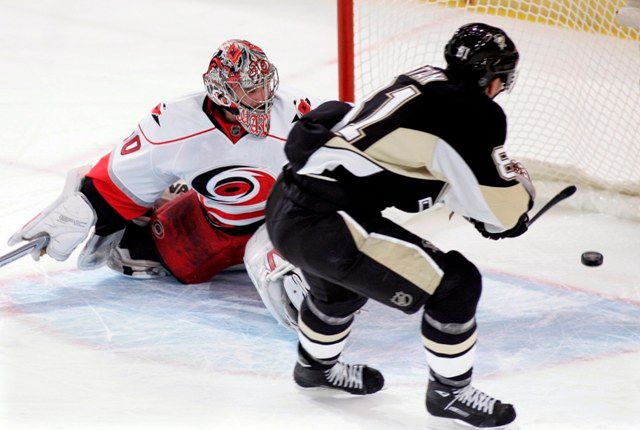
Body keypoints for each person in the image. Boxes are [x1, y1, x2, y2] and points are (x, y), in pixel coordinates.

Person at [263, 23, 533, 429]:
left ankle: (315, 368)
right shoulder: (475, 112)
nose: (500, 89)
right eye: (501, 80)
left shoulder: (425, 79)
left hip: (288, 205)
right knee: (456, 284)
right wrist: (511, 215)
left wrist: (474, 206)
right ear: (492, 77)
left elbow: (420, 166)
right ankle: (450, 392)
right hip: (326, 223)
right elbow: (500, 209)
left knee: (338, 291)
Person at [7, 39, 319, 285]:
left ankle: (176, 195)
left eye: (264, 83)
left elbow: (353, 139)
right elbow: (118, 183)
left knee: (302, 277)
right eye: (248, 88)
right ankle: (163, 203)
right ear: (220, 90)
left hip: (284, 223)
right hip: (212, 227)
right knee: (141, 253)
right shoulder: (175, 123)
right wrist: (85, 207)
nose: (262, 95)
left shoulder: (297, 114)